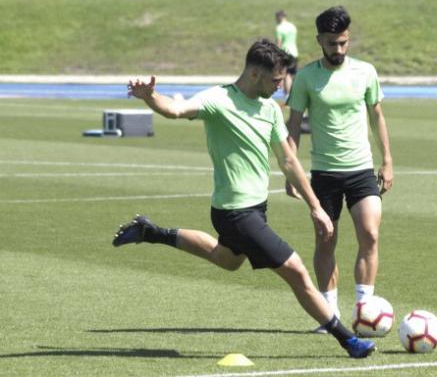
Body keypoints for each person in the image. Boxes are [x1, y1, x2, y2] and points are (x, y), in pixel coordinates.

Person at [112, 39, 375, 358]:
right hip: (235, 213)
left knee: (227, 260)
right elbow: (176, 109)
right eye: (276, 80)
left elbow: (289, 160)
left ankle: (150, 232)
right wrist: (150, 96)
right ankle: (348, 339)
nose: (280, 88)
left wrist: (316, 207)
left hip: (255, 209)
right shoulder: (218, 99)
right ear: (254, 73)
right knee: (296, 271)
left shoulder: (270, 109)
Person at [285, 7, 394, 333]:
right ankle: (329, 312)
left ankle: (364, 309)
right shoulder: (305, 77)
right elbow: (292, 127)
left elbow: (377, 116)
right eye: (332, 43)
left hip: (361, 170)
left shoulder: (365, 72)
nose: (339, 50)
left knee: (370, 235)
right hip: (324, 174)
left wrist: (387, 159)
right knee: (325, 240)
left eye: (343, 43)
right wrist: (293, 172)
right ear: (320, 40)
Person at [275, 10, 299, 100]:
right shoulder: (292, 26)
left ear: (279, 17)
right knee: (292, 74)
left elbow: (279, 43)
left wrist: (277, 54)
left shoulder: (280, 28)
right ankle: (293, 94)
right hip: (294, 52)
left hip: (285, 52)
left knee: (286, 75)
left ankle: (288, 95)